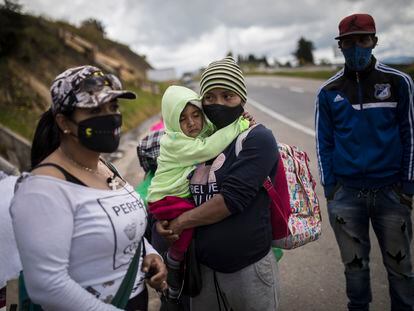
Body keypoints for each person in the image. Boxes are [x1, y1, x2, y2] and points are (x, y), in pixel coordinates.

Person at [10, 65, 167, 311]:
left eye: (113, 107)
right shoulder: (43, 189)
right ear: (64, 121)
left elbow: (121, 222)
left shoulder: (105, 167)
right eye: (94, 109)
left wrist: (149, 252)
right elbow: (47, 284)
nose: (110, 116)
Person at [157, 56, 280, 311]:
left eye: (228, 96)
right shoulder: (200, 139)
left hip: (247, 270)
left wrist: (179, 223)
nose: (218, 103)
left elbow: (230, 201)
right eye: (210, 97)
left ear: (242, 99)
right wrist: (163, 221)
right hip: (203, 271)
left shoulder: (258, 138)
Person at [315, 13, 414, 311]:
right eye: (348, 42)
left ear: (374, 41)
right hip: (346, 195)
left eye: (362, 39)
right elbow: (324, 144)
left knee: (401, 270)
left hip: (391, 193)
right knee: (355, 271)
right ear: (340, 46)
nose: (356, 47)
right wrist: (330, 189)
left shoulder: (398, 82)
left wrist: (408, 186)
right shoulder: (328, 91)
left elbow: (410, 134)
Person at [147, 85, 249, 302]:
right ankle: (174, 263)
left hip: (174, 196)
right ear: (173, 122)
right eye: (182, 119)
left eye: (196, 114)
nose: (191, 122)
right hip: (166, 198)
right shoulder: (174, 142)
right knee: (189, 220)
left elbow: (211, 136)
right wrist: (239, 124)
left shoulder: (197, 134)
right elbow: (208, 148)